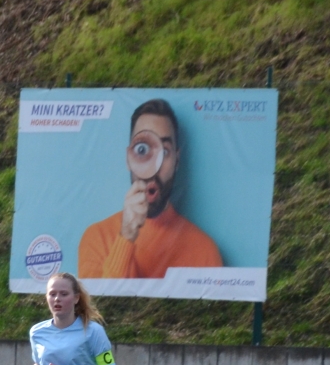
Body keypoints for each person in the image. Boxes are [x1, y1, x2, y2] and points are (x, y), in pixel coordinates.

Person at [77, 99, 222, 280]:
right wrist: (126, 237)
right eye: (142, 149)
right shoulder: (96, 239)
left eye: (165, 151)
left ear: (177, 161)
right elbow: (98, 300)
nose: (154, 165)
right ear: (128, 159)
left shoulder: (206, 252)